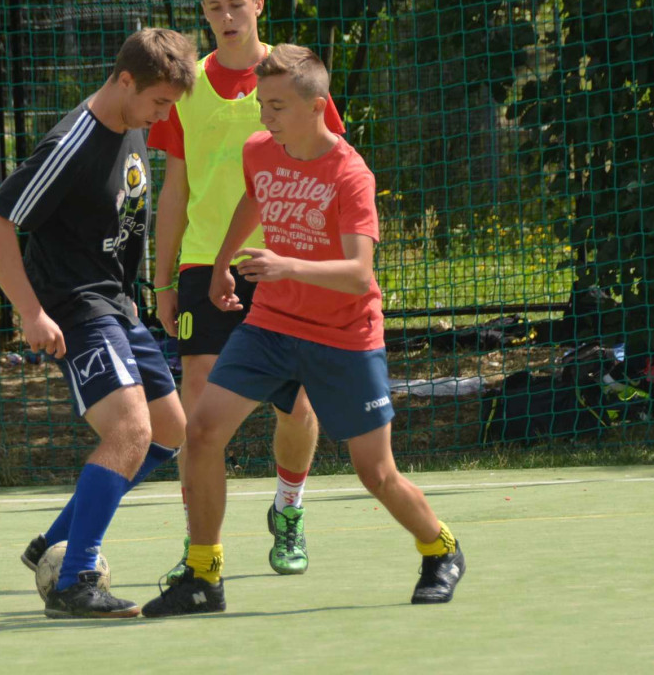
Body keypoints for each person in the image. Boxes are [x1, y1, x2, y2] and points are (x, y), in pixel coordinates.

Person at [142, 45, 466, 617]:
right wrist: (220, 267)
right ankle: (203, 572)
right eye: (262, 105)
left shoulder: (351, 175)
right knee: (204, 430)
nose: (265, 117)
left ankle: (440, 549)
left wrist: (285, 265)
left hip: (345, 334)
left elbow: (359, 272)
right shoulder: (261, 151)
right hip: (270, 324)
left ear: (317, 107)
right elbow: (252, 198)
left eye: (276, 106)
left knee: (376, 473)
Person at [0, 28, 198, 619]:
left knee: (170, 430)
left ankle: (51, 544)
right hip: (76, 307)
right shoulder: (70, 144)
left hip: (118, 305)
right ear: (126, 81)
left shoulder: (130, 124)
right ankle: (76, 580)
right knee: (130, 432)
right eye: (158, 103)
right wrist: (31, 311)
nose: (161, 116)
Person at [148, 0, 346, 579]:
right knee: (198, 413)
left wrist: (334, 265)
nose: (226, 17)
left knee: (297, 408)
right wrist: (161, 280)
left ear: (258, 5)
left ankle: (288, 510)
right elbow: (174, 188)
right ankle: (199, 544)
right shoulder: (188, 87)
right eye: (214, 8)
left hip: (287, 265)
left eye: (237, 5)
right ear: (203, 14)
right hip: (205, 265)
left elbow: (333, 170)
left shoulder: (294, 81)